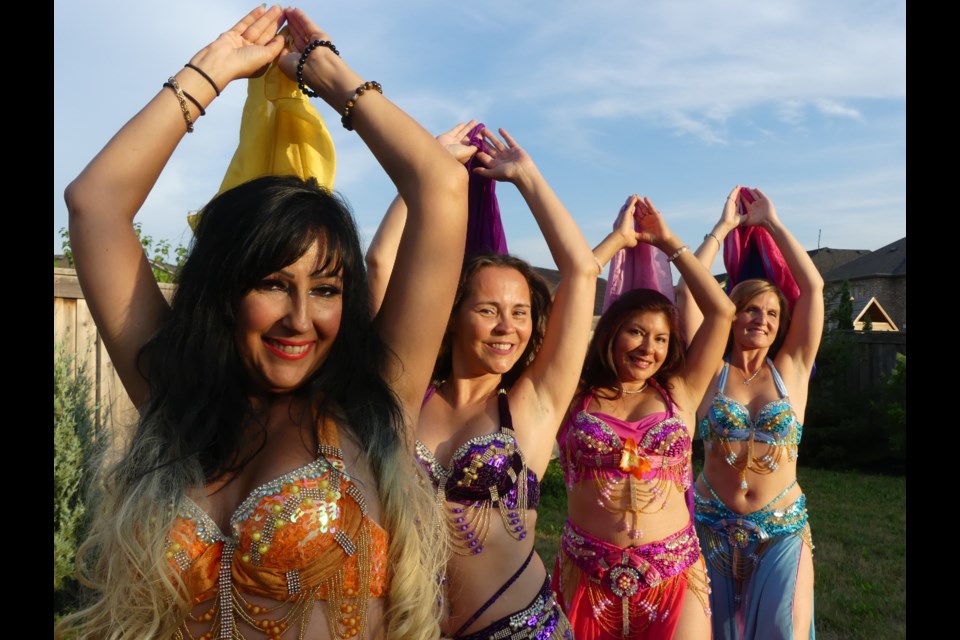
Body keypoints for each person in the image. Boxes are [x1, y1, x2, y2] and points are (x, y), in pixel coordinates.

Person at [56, 6, 468, 639]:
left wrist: (327, 73)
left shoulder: (373, 400)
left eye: (326, 289)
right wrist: (214, 70)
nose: (300, 319)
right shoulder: (175, 395)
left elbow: (439, 184)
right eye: (273, 283)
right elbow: (94, 204)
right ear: (223, 291)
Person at [366, 126, 596, 638]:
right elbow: (381, 262)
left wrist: (527, 176)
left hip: (520, 629)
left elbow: (581, 271)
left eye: (519, 313)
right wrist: (427, 172)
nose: (506, 327)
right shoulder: (405, 391)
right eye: (488, 309)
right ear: (452, 316)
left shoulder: (533, 403)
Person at [553, 194, 735, 639]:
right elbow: (557, 312)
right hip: (586, 576)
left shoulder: (680, 391)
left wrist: (668, 241)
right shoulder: (572, 393)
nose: (647, 348)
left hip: (674, 577)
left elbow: (722, 311)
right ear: (612, 332)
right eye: (635, 332)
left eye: (659, 338)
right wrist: (616, 241)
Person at [677, 186, 824, 639]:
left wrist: (772, 224)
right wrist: (723, 229)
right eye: (749, 310)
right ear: (731, 315)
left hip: (781, 530)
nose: (761, 319)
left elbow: (814, 286)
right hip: (708, 526)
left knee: (783, 633)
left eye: (773, 314)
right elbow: (686, 290)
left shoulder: (792, 372)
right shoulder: (708, 373)